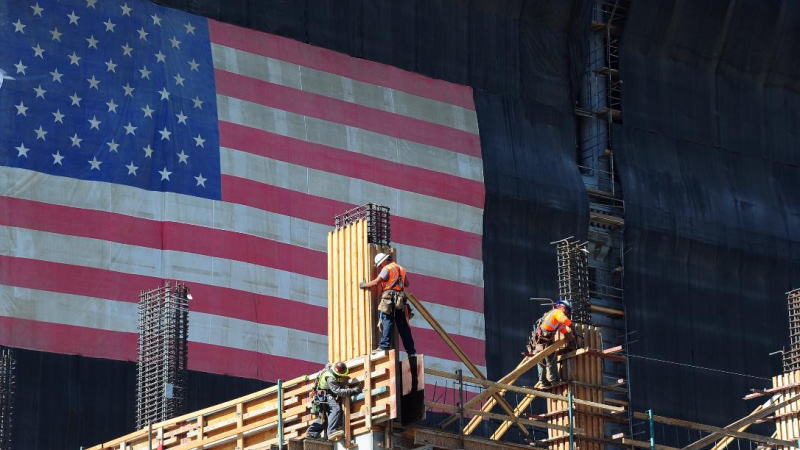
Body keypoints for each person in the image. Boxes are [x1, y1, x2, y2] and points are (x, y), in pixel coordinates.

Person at [359, 253, 416, 356]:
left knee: (387, 321)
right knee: (403, 326)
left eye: (380, 265)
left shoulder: (387, 268)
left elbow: (376, 282)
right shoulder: (400, 268)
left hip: (389, 298)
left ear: (384, 261)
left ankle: (384, 346)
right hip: (401, 299)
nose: (381, 266)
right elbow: (407, 284)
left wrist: (364, 285)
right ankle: (411, 352)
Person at [307, 362, 362, 440]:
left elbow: (339, 383)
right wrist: (353, 390)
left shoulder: (331, 371)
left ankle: (312, 433)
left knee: (324, 418)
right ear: (336, 370)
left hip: (322, 395)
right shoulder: (330, 377)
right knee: (336, 409)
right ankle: (331, 432)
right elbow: (338, 391)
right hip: (324, 395)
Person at [528, 299, 574, 388]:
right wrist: (573, 328)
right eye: (567, 309)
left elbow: (563, 329)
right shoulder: (557, 312)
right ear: (562, 307)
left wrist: (570, 337)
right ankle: (554, 381)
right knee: (551, 359)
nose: (566, 312)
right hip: (543, 340)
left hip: (541, 340)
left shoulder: (554, 317)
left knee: (541, 361)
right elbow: (566, 321)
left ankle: (543, 382)